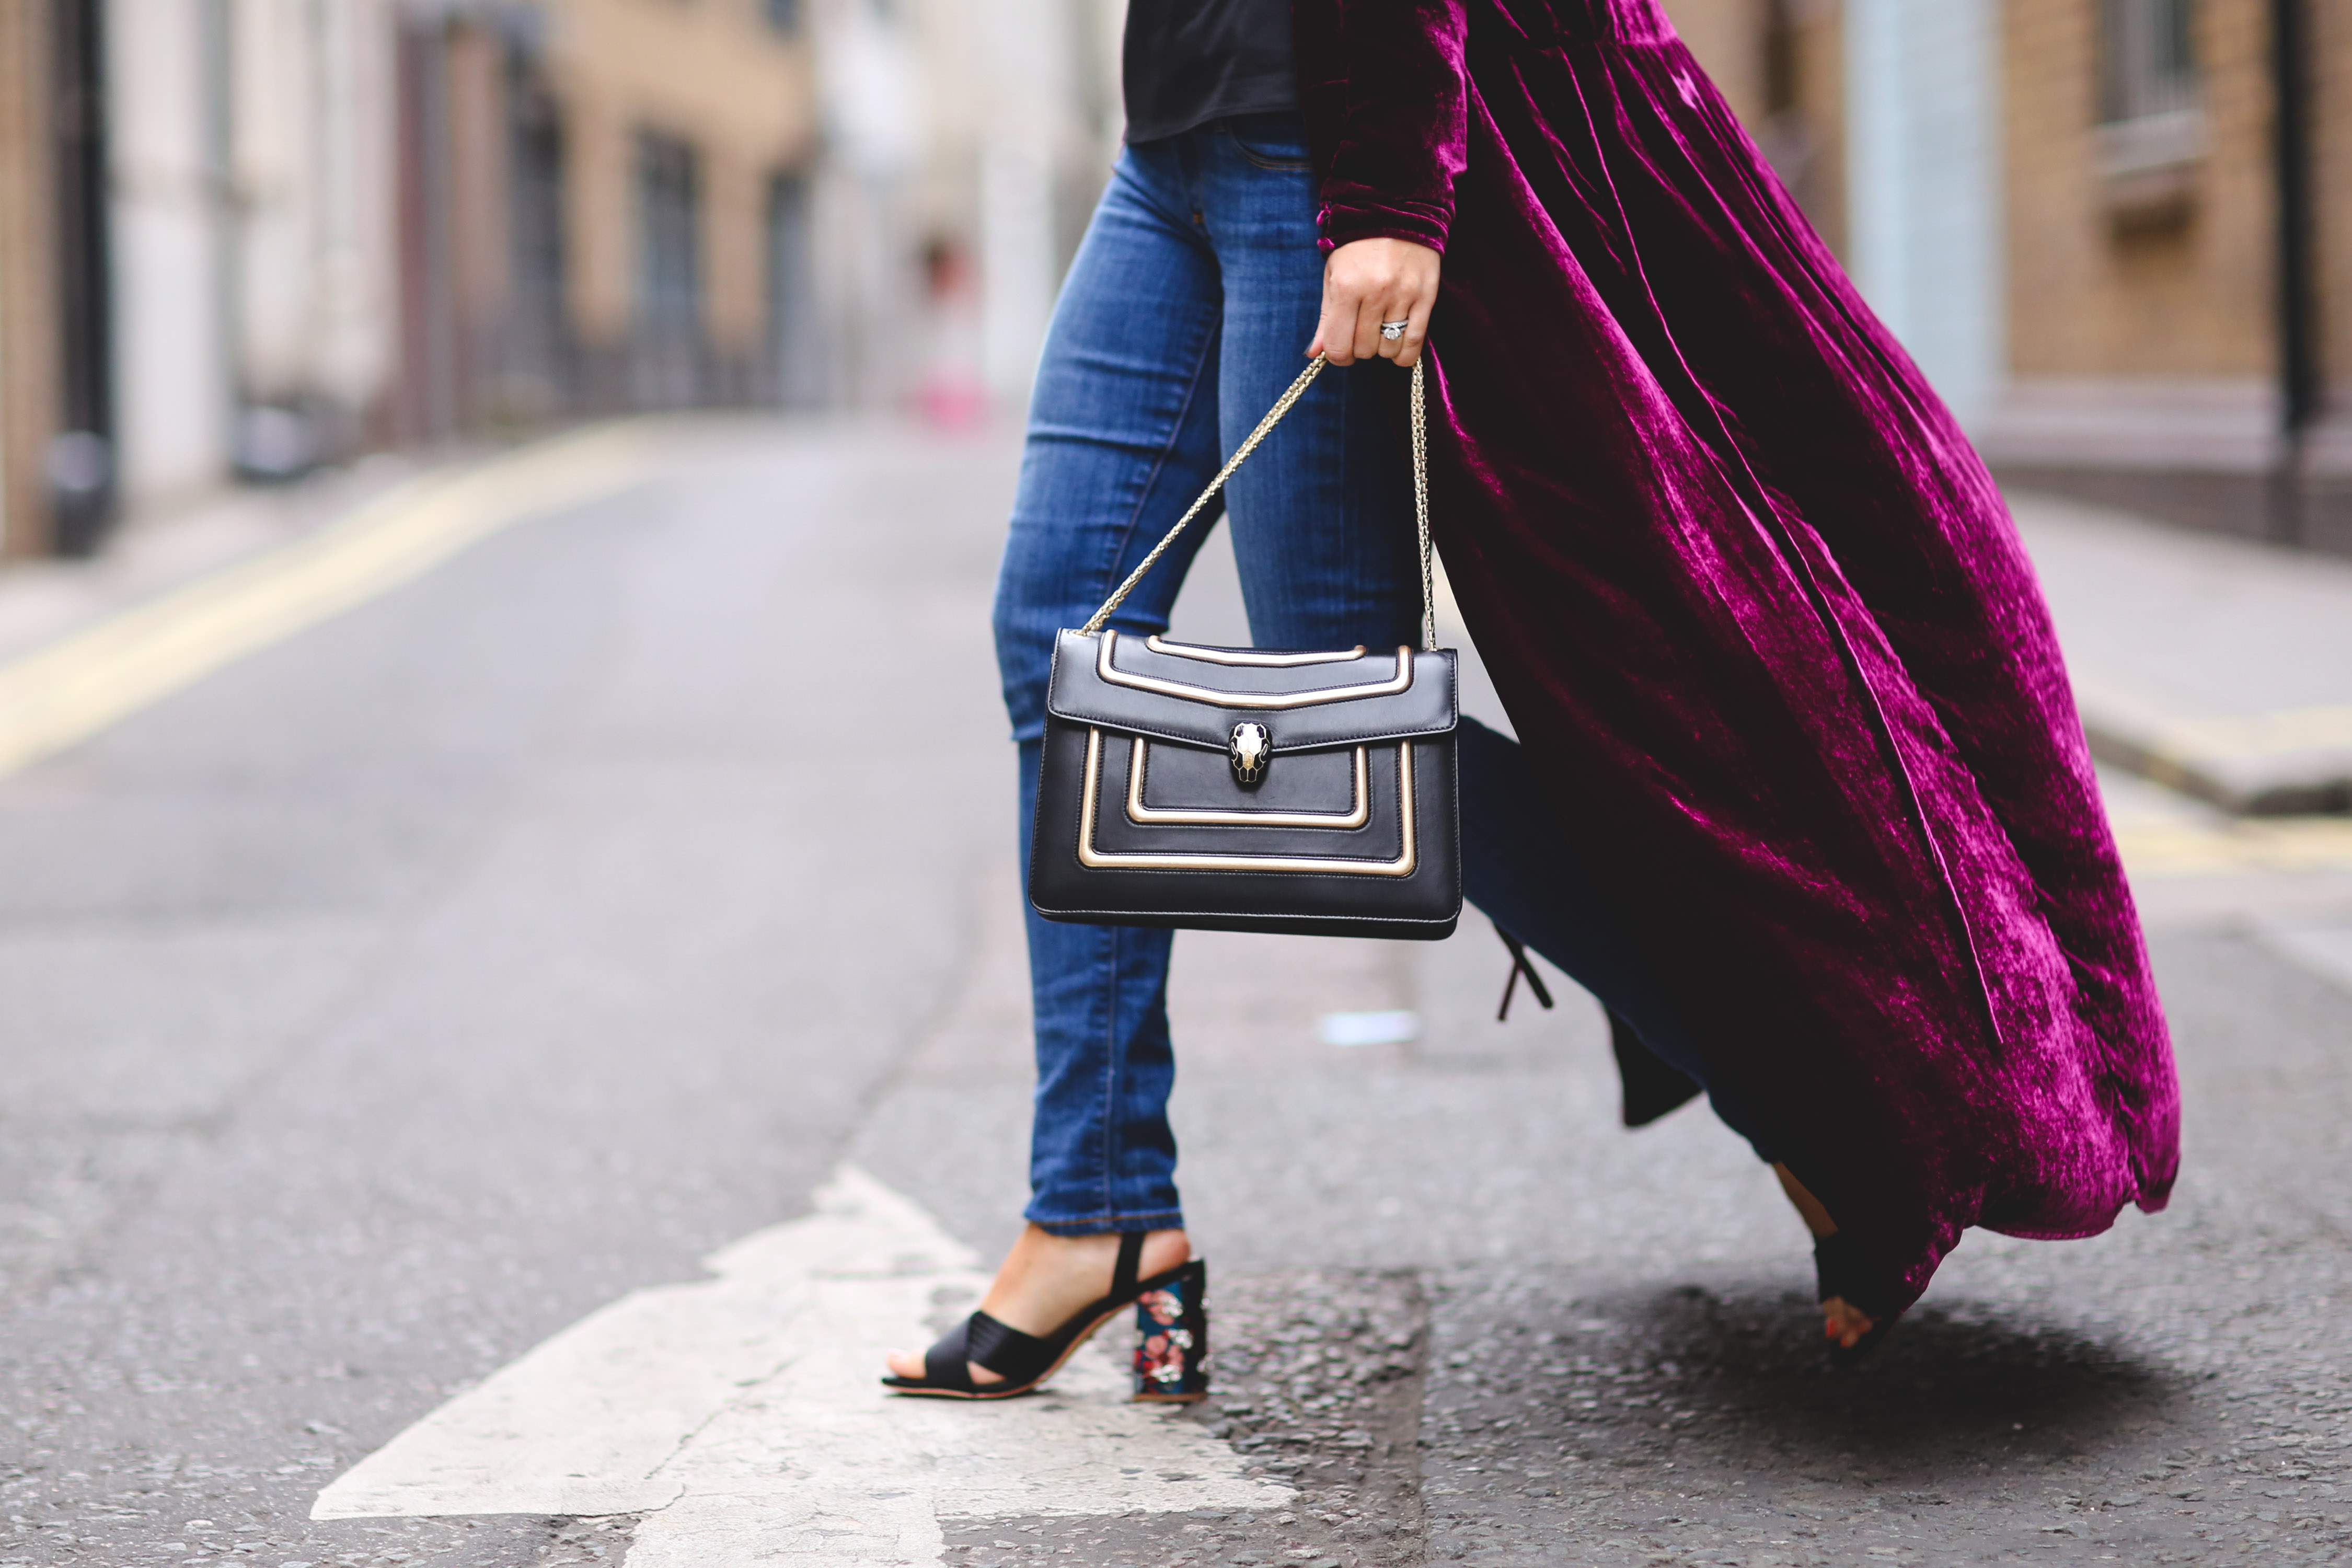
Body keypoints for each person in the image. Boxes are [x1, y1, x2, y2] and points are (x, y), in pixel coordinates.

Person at [883, 0, 2179, 1398]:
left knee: (1346, 717)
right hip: (1177, 125)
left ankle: (1799, 1090)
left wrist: (1387, 186)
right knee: (1059, 634)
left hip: (1317, 129)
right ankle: (1098, 1206)